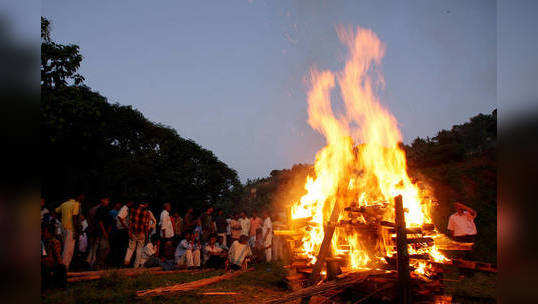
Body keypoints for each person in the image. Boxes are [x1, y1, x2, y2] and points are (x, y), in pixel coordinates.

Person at [54, 194, 82, 270]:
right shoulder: (76, 204)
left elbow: (55, 211)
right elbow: (74, 217)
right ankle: (64, 267)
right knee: (68, 249)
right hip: (71, 229)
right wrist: (76, 230)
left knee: (65, 247)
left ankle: (63, 267)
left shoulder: (64, 204)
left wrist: (60, 221)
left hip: (63, 228)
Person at [87, 197, 112, 268]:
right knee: (103, 248)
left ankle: (91, 263)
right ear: (102, 200)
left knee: (94, 248)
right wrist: (104, 232)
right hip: (99, 232)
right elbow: (100, 221)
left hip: (95, 231)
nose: (108, 202)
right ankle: (96, 263)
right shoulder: (101, 209)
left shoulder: (95, 209)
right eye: (107, 200)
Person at [124, 202, 150, 268]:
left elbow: (130, 221)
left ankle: (126, 261)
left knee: (131, 248)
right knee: (139, 249)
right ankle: (136, 266)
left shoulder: (133, 210)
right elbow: (146, 225)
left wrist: (129, 231)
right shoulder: (147, 212)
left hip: (133, 232)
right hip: (141, 233)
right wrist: (147, 235)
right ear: (145, 204)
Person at [41, 223, 66, 289]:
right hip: (45, 264)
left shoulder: (54, 242)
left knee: (61, 267)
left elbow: (57, 256)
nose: (43, 233)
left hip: (50, 264)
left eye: (44, 232)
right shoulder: (43, 242)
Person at [111, 201, 133, 267]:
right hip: (121, 230)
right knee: (122, 247)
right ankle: (119, 263)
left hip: (121, 230)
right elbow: (120, 217)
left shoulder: (125, 208)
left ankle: (120, 263)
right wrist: (126, 226)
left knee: (122, 247)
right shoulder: (125, 208)